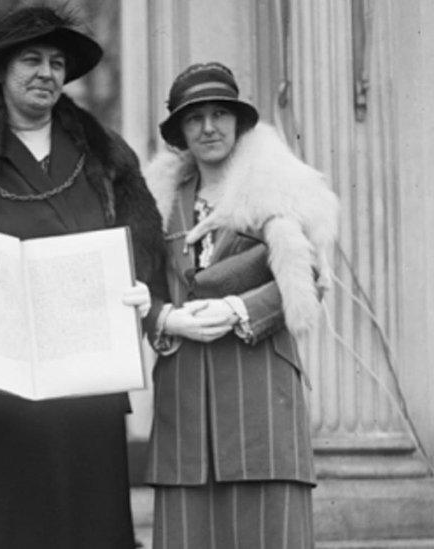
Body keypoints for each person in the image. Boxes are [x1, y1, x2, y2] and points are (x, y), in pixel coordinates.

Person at [0, 6, 167, 548]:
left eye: (57, 63)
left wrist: (138, 286)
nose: (46, 73)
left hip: (85, 389)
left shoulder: (104, 154)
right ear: (1, 73)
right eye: (30, 60)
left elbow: (143, 242)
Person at [142, 61, 339, 548]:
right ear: (180, 132)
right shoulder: (157, 202)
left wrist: (238, 310)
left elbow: (308, 275)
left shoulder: (278, 185)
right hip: (184, 396)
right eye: (194, 118)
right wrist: (166, 318)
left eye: (219, 114)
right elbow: (136, 288)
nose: (208, 128)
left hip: (261, 395)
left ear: (239, 121)